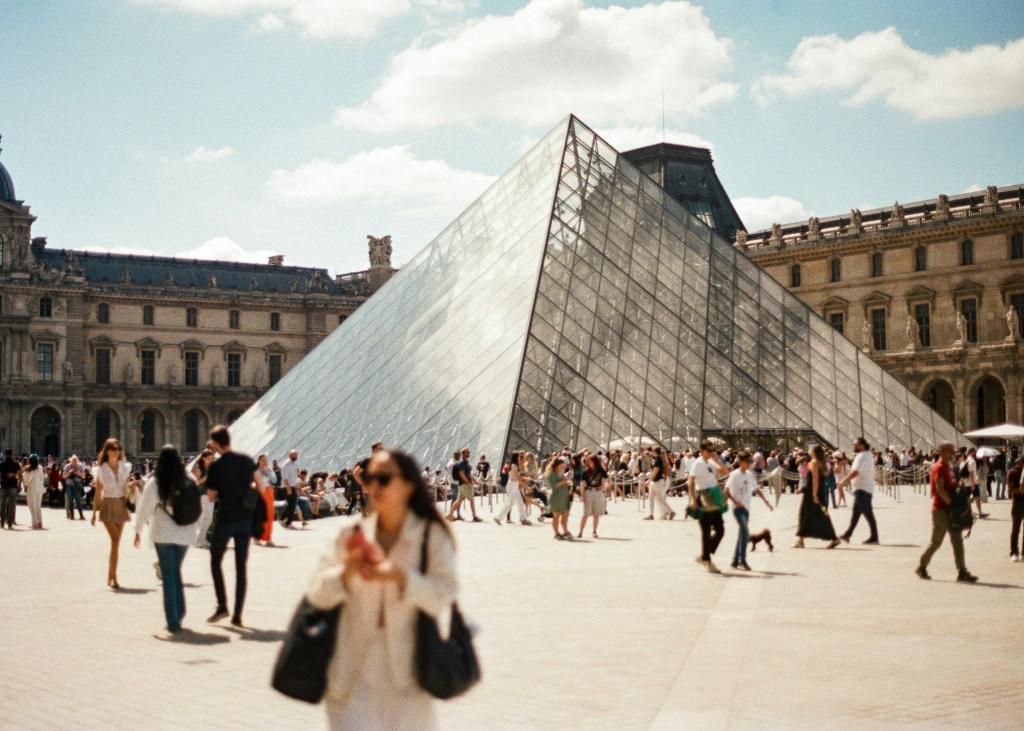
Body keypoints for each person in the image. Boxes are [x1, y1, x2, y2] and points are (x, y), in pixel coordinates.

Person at [306, 448, 458, 731]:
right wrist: (344, 573)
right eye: (371, 478)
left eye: (384, 479)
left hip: (409, 678)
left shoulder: (430, 538)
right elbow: (317, 595)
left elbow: (442, 597)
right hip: (352, 677)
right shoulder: (348, 534)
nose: (374, 486)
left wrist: (402, 578)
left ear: (408, 484)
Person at [133, 445, 200, 633]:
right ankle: (180, 611)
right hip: (185, 534)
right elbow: (197, 506)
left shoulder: (155, 482)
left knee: (169, 576)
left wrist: (137, 530)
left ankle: (173, 620)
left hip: (163, 534)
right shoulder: (190, 478)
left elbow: (144, 508)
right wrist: (199, 529)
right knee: (174, 572)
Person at [205, 424, 263, 627]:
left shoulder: (216, 467)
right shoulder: (246, 460)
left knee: (215, 560)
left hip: (226, 518)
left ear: (215, 443)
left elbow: (211, 497)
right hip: (245, 520)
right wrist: (247, 491)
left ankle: (222, 605)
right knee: (241, 567)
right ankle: (237, 615)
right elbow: (260, 485)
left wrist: (222, 490)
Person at [916, 441, 978, 582]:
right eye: (951, 451)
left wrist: (959, 486)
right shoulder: (939, 467)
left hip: (950, 510)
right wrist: (952, 504)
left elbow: (950, 485)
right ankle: (921, 566)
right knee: (936, 542)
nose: (953, 453)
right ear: (943, 451)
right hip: (941, 510)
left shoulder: (948, 467)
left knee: (957, 540)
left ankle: (962, 571)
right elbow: (939, 488)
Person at [92, 438, 132, 588]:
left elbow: (125, 487)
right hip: (107, 504)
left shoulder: (124, 467)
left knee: (116, 543)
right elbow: (97, 492)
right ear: (107, 451)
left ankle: (111, 575)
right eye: (113, 449)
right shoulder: (101, 469)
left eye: (118, 449)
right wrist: (94, 513)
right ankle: (113, 576)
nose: (116, 452)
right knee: (115, 540)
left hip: (121, 504)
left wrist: (132, 486)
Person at [725, 450, 772, 571]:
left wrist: (766, 502)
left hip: (746, 508)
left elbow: (756, 489)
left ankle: (735, 560)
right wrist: (735, 502)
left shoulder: (749, 474)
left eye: (751, 461)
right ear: (741, 462)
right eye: (748, 461)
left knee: (742, 534)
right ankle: (742, 560)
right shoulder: (734, 475)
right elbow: (726, 491)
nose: (750, 464)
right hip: (737, 508)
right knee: (745, 533)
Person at [688, 439, 730, 572]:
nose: (712, 452)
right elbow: (691, 481)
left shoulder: (711, 461)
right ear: (702, 451)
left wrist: (717, 458)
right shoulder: (698, 463)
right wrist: (693, 499)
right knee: (706, 530)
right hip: (703, 496)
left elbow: (725, 472)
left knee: (720, 529)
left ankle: (705, 555)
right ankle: (707, 561)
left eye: (713, 450)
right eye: (710, 450)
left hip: (714, 496)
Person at [794, 444, 841, 550]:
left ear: (814, 452)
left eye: (810, 449)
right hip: (817, 492)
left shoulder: (814, 463)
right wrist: (803, 489)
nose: (809, 450)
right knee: (819, 516)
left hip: (812, 494)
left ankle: (801, 541)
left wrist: (814, 495)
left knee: (805, 515)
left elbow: (814, 480)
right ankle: (801, 540)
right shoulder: (822, 463)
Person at [838, 437, 880, 545]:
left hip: (862, 489)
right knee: (856, 513)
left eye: (855, 444)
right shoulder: (867, 455)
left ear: (862, 445)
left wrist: (844, 481)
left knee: (868, 513)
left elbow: (855, 472)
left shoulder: (862, 456)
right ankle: (847, 535)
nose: (853, 446)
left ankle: (874, 537)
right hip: (863, 488)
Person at [493, 451, 530, 526]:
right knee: (510, 503)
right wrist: (525, 486)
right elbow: (517, 477)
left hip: (513, 485)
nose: (520, 458)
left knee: (518, 502)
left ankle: (523, 519)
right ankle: (498, 517)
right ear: (516, 457)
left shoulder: (514, 465)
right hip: (513, 485)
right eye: (519, 456)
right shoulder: (514, 465)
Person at [446, 448, 481, 522]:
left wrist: (475, 480)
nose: (469, 453)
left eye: (469, 452)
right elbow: (461, 474)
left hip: (464, 484)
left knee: (459, 500)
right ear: (463, 453)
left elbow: (468, 474)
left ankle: (449, 514)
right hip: (464, 484)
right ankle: (474, 516)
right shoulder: (462, 463)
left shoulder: (466, 462)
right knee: (471, 500)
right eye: (467, 452)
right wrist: (468, 483)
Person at [577, 453, 607, 539]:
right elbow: (582, 484)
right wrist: (582, 496)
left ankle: (594, 531)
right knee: (586, 514)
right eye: (588, 461)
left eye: (590, 461)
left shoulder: (601, 471)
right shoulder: (585, 472)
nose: (589, 462)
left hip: (598, 492)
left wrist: (604, 486)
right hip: (589, 492)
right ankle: (580, 531)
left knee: (596, 514)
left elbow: (606, 480)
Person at [643, 447, 676, 521]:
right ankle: (651, 514)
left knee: (659, 498)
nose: (650, 453)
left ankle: (671, 511)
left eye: (651, 451)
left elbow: (656, 471)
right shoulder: (658, 459)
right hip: (655, 481)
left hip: (657, 481)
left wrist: (649, 480)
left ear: (654, 451)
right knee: (651, 498)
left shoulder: (658, 460)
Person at [192, 448, 216, 548]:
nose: (211, 460)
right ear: (203, 458)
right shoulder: (198, 468)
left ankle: (202, 539)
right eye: (209, 458)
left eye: (212, 458)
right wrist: (205, 478)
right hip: (201, 495)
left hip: (211, 495)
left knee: (209, 519)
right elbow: (195, 482)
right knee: (204, 518)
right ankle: (198, 539)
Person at [546, 455, 573, 540]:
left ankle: (565, 531)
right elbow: (554, 486)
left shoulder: (560, 474)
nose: (562, 468)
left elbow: (562, 482)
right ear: (556, 466)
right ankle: (556, 533)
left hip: (564, 497)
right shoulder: (550, 474)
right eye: (561, 466)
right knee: (556, 517)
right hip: (556, 498)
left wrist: (567, 483)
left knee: (565, 515)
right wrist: (563, 481)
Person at [256, 453, 277, 546]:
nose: (265, 462)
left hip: (268, 493)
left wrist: (267, 471)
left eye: (266, 460)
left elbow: (275, 480)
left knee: (269, 515)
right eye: (263, 460)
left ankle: (268, 538)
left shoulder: (269, 469)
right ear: (259, 461)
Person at [23, 454, 46, 530]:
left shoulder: (28, 469)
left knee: (32, 505)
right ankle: (40, 522)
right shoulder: (40, 468)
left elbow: (26, 480)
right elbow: (42, 478)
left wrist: (26, 485)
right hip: (39, 489)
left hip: (32, 489)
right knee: (38, 506)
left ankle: (35, 523)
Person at [1008, 455, 1024, 561]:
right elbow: (1010, 490)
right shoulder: (1013, 473)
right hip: (1018, 503)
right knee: (1016, 529)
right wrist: (1021, 490)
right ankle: (1014, 552)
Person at [281, 449, 301, 529]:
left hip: (293, 487)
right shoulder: (286, 464)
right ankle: (286, 521)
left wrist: (296, 487)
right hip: (286, 487)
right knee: (292, 505)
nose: (295, 456)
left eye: (296, 455)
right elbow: (284, 477)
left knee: (292, 505)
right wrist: (288, 488)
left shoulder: (295, 465)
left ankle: (285, 520)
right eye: (293, 455)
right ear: (289, 455)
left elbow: (295, 478)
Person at [62, 456, 87, 520]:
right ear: (70, 461)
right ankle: (72, 515)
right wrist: (69, 473)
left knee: (78, 500)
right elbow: (64, 476)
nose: (74, 462)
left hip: (77, 485)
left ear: (77, 461)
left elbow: (83, 476)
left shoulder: (79, 466)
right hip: (69, 485)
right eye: (73, 461)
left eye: (75, 461)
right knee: (70, 500)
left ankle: (81, 515)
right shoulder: (67, 466)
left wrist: (78, 473)